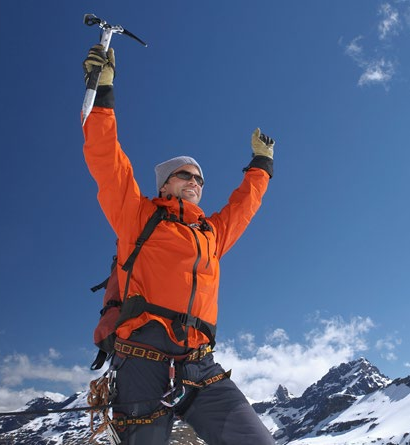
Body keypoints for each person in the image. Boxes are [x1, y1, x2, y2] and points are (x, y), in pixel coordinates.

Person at [81, 44, 276, 444]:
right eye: (185, 175)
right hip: (141, 363)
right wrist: (102, 93)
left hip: (200, 364)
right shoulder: (137, 216)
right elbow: (106, 160)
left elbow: (244, 206)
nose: (195, 181)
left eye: (200, 179)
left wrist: (261, 166)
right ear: (165, 184)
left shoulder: (212, 233)